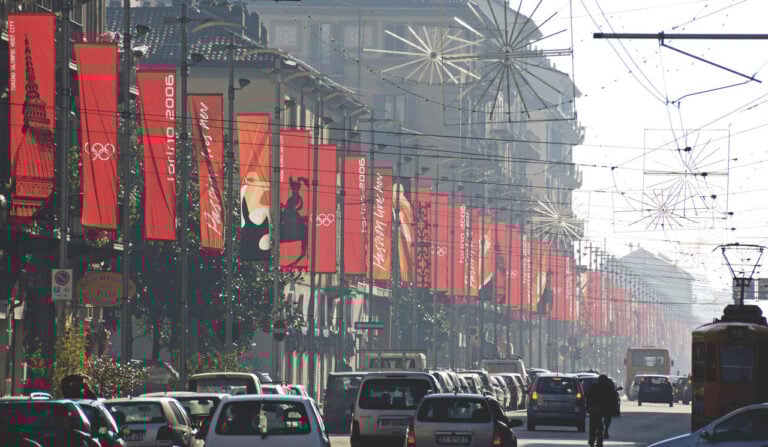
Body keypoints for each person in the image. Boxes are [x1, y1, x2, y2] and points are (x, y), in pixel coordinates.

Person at [586, 374, 618, 447]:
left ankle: (591, 439)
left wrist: (588, 408)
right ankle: (605, 432)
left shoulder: (594, 386)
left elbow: (588, 398)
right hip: (605, 408)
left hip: (594, 408)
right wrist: (614, 408)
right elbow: (614, 399)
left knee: (592, 425)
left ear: (598, 380)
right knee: (607, 419)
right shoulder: (609, 387)